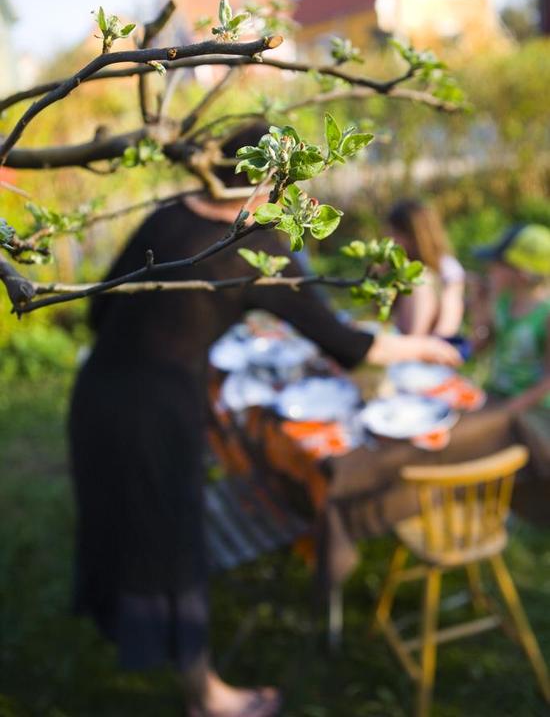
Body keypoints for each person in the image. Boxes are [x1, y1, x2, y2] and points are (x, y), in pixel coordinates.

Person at [69, 125, 460, 717]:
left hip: (95, 395)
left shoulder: (170, 212)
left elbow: (100, 308)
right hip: (156, 413)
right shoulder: (258, 246)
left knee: (118, 518)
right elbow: (346, 345)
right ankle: (208, 698)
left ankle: (118, 624)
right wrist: (424, 350)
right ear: (273, 180)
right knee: (174, 540)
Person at [472, 223, 550, 412]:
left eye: (498, 265)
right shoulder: (504, 301)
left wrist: (507, 411)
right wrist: (479, 303)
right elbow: (478, 346)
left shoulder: (545, 315)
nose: (489, 269)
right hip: (497, 396)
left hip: (532, 411)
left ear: (522, 273)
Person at [387, 199, 465, 337]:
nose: (390, 239)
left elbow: (448, 325)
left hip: (429, 344)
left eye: (395, 233)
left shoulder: (447, 268)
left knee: (421, 282)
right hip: (404, 341)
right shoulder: (396, 265)